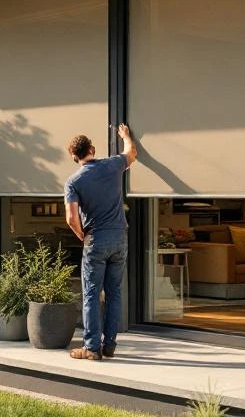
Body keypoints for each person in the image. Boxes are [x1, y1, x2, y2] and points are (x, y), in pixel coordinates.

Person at [64, 123, 137, 361]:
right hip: (119, 237)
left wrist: (81, 235)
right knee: (114, 292)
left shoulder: (73, 182)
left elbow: (71, 218)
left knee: (92, 294)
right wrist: (125, 136)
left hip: (96, 239)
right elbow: (131, 154)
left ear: (74, 157)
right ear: (93, 149)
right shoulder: (113, 165)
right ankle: (110, 345)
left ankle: (92, 348)